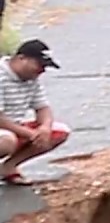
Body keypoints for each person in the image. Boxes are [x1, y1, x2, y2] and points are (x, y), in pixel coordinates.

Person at [0, 39, 71, 185]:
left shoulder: (31, 80)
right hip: (5, 132)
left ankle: (8, 168)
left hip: (13, 129)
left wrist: (44, 128)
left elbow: (43, 108)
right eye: (39, 65)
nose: (42, 71)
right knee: (7, 140)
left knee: (58, 131)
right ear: (21, 59)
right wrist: (30, 134)